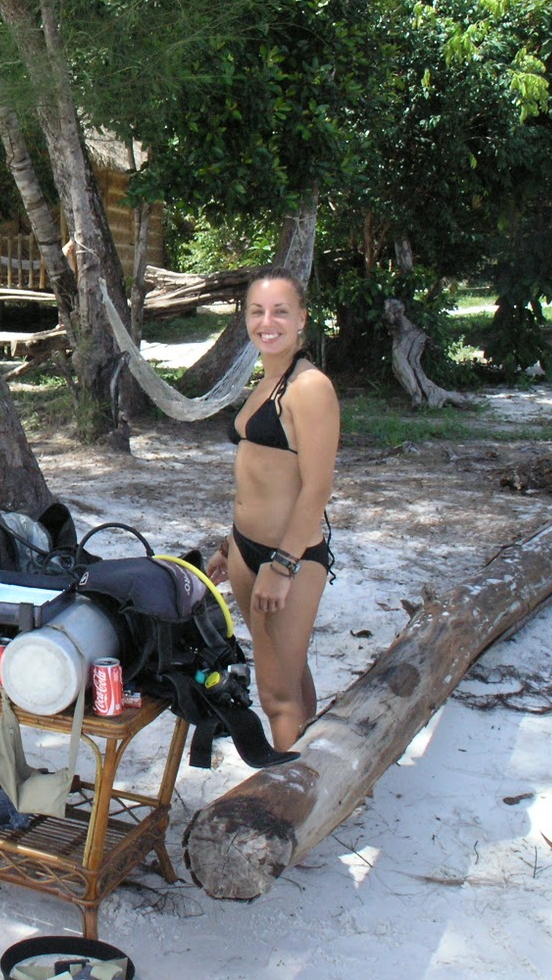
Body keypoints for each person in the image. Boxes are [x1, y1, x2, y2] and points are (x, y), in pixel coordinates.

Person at [204, 266, 340, 753]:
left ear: (302, 318)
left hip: (290, 556)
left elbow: (316, 489)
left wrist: (281, 567)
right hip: (244, 549)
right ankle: (318, 770)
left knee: (276, 694)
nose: (268, 321)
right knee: (292, 674)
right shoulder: (266, 381)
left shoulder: (309, 387)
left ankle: (286, 808)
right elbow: (258, 475)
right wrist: (228, 545)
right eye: (257, 311)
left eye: (281, 311)